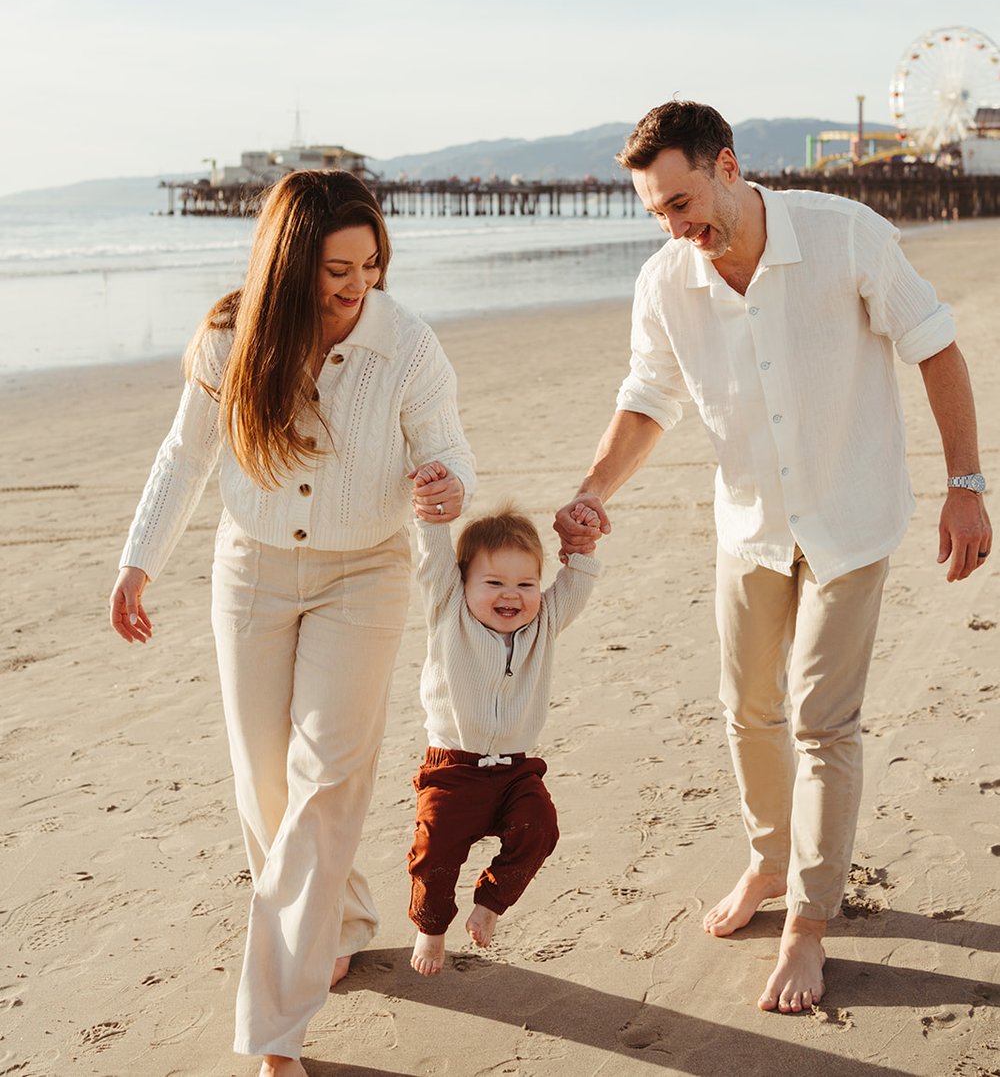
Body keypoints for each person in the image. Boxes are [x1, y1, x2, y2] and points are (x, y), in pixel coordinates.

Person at [554, 100, 991, 1016]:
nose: (678, 227)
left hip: (850, 517)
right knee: (747, 709)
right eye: (659, 214)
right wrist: (594, 490)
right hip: (749, 525)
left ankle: (810, 922)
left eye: (683, 202)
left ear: (726, 164)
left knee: (822, 722)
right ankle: (766, 859)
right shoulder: (668, 281)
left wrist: (966, 483)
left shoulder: (845, 235)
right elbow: (648, 398)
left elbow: (936, 346)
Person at [109, 171, 475, 1077]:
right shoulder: (232, 341)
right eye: (336, 269)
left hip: (365, 574)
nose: (358, 286)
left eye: (371, 264)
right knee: (266, 787)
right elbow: (185, 453)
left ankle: (274, 1027)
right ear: (286, 265)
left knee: (325, 785)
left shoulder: (408, 345)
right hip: (252, 574)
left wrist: (445, 487)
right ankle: (342, 918)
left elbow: (448, 447)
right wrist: (137, 561)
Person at [405, 462, 600, 975]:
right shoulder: (448, 609)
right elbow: (431, 560)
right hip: (454, 766)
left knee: (541, 827)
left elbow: (574, 586)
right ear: (463, 582)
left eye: (525, 584)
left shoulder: (545, 622)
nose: (510, 595)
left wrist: (581, 548)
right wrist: (431, 514)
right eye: (493, 582)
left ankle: (489, 906)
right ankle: (430, 928)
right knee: (435, 851)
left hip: (515, 768)